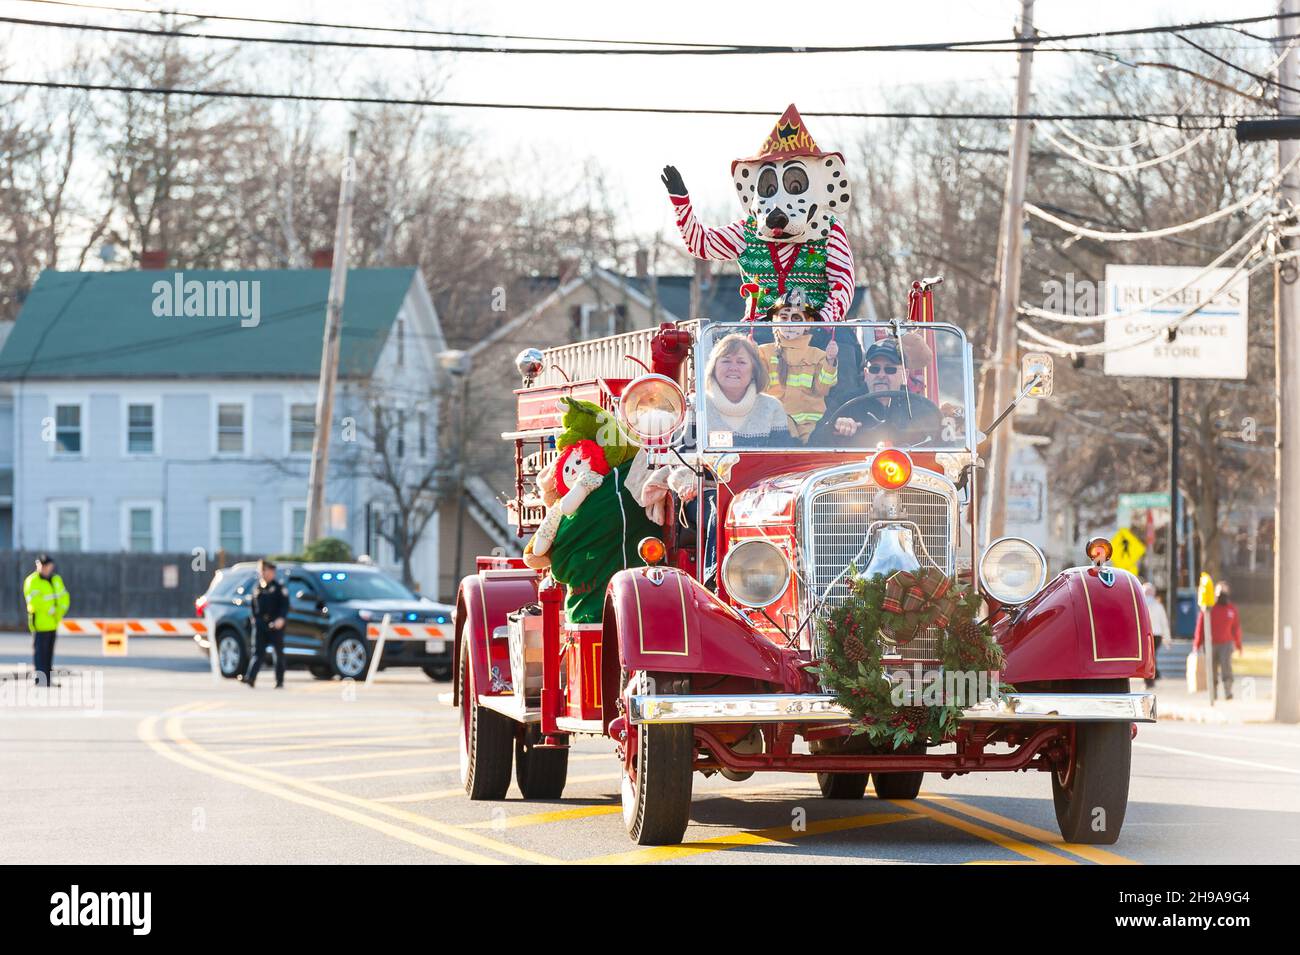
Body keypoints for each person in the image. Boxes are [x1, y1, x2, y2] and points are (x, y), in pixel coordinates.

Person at [810, 338, 943, 447]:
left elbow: (944, 449)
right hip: (856, 474)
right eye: (874, 369)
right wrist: (835, 427)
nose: (881, 375)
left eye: (889, 369)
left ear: (905, 375)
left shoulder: (922, 409)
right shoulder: (844, 405)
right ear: (866, 374)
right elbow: (814, 444)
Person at [757, 292, 839, 441]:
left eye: (796, 318)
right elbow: (758, 387)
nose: (789, 323)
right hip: (777, 423)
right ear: (774, 321)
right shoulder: (763, 352)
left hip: (813, 425)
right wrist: (751, 357)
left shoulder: (818, 355)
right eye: (784, 317)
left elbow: (823, 389)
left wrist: (830, 361)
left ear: (808, 323)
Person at [703, 333, 791, 446]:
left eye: (741, 362)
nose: (733, 368)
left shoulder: (772, 407)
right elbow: (684, 454)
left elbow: (783, 458)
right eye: (726, 361)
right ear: (713, 368)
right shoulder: (695, 406)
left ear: (754, 371)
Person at [23, 554, 69, 687]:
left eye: (46, 565)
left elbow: (64, 597)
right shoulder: (32, 581)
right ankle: (40, 679)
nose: (44, 568)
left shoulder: (56, 579)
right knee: (40, 653)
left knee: (49, 653)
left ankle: (48, 679)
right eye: (41, 565)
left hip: (53, 622)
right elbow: (35, 601)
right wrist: (51, 610)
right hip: (40, 623)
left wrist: (59, 612)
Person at [1192, 580, 1243, 700]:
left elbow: (1236, 629)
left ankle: (1228, 691)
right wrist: (1197, 644)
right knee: (1212, 669)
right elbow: (1201, 626)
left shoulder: (1232, 609)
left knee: (1227, 668)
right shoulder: (1209, 609)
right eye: (1219, 592)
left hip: (1226, 644)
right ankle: (1213, 693)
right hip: (1211, 644)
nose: (1222, 595)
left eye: (1224, 592)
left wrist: (1239, 645)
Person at [244, 558, 289, 689]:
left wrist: (281, 619)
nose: (266, 573)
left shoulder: (279, 588)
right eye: (264, 571)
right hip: (260, 625)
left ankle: (279, 681)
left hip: (276, 625)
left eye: (269, 571)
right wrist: (255, 620)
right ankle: (250, 678)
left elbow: (285, 606)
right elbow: (253, 607)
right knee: (257, 653)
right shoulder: (257, 588)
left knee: (278, 654)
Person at [1142, 581, 1171, 689]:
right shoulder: (1158, 606)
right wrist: (1167, 639)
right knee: (1151, 657)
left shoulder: (1141, 604)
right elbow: (1164, 622)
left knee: (1147, 658)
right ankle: (1151, 678)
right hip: (1156, 635)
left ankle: (1149, 680)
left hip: (1146, 635)